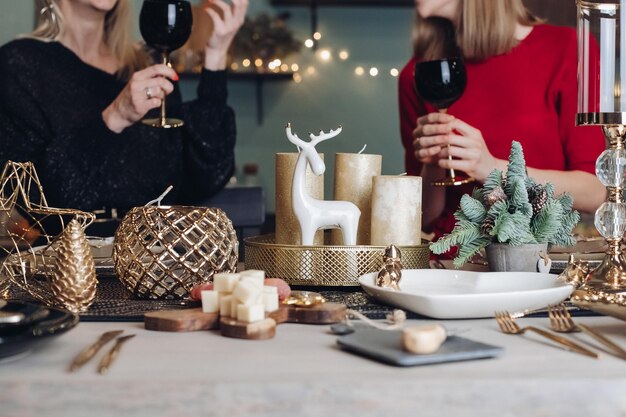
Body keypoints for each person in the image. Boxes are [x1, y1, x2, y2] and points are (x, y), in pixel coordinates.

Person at [0, 0, 248, 225]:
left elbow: (206, 177)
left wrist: (216, 55)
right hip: (71, 263)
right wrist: (114, 117)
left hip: (157, 258)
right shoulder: (20, 64)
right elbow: (30, 200)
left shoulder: (146, 63)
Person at [399, 0, 606, 245]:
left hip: (538, 259)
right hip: (450, 263)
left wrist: (491, 169)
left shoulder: (568, 48)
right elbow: (421, 217)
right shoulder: (419, 73)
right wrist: (433, 164)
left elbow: (594, 192)